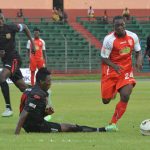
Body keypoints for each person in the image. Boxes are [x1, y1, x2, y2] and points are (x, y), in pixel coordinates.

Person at [15, 67, 106, 134]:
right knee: (69, 127)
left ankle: (98, 130)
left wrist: (46, 113)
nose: (50, 83)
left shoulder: (30, 90)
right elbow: (24, 113)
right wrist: (17, 133)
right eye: (49, 81)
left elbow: (32, 113)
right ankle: (99, 130)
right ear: (41, 82)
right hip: (36, 126)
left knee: (66, 126)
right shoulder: (37, 94)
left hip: (30, 124)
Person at [101, 16, 142, 131]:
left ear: (125, 25)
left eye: (121, 25)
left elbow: (138, 51)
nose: (120, 27)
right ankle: (113, 90)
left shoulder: (133, 36)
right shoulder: (109, 39)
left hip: (126, 71)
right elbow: (104, 58)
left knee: (125, 95)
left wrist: (138, 60)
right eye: (117, 25)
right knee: (106, 100)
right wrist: (114, 66)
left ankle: (113, 123)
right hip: (111, 70)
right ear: (113, 27)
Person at [0, 13, 35, 116]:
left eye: (1, 18)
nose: (0, 20)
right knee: (23, 87)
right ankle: (40, 92)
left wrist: (32, 43)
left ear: (4, 19)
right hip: (6, 61)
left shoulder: (10, 27)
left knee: (1, 78)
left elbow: (25, 27)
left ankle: (8, 108)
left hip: (14, 59)